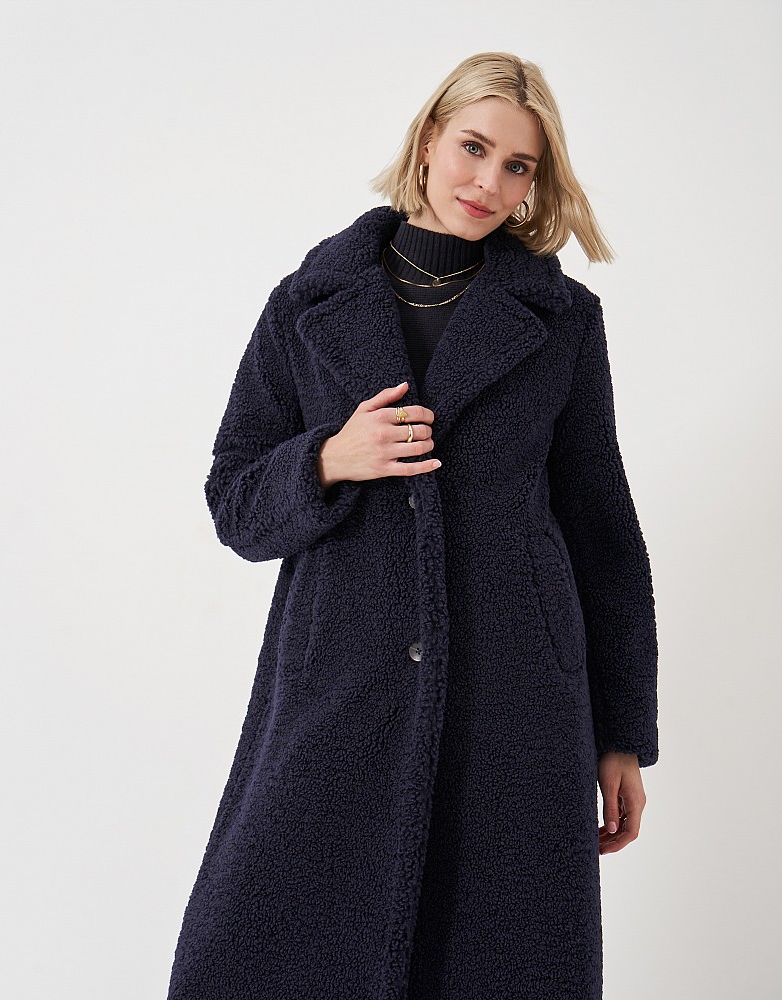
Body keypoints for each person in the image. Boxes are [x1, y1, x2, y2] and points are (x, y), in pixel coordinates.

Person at [167, 51, 658, 1000]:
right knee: (259, 948)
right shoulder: (308, 302)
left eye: (517, 166)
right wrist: (326, 458)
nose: (488, 183)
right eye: (473, 148)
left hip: (517, 700)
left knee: (495, 959)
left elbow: (602, 534)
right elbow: (234, 501)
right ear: (429, 139)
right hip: (336, 679)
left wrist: (621, 733)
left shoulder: (562, 321)